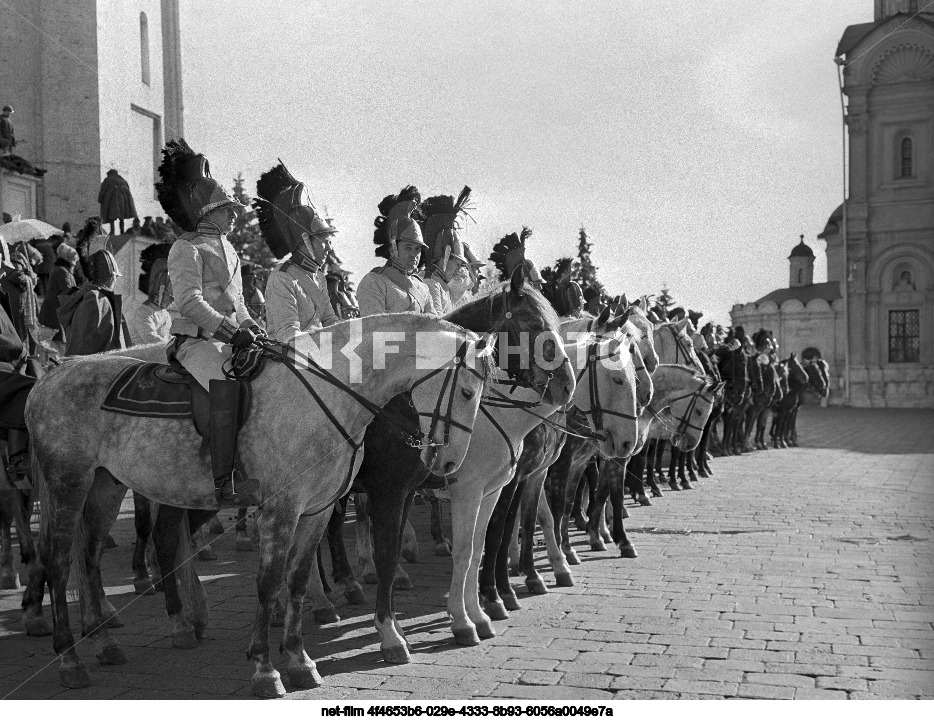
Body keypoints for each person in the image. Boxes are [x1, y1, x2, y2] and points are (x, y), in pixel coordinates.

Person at [156, 139, 262, 506]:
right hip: (197, 343)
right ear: (207, 212)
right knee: (225, 386)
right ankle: (225, 482)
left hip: (231, 339)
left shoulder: (230, 249)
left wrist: (252, 327)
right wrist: (234, 332)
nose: (234, 215)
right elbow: (190, 301)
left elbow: (240, 303)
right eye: (227, 210)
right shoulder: (184, 248)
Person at [253, 161, 338, 343]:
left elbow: (330, 321)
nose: (329, 248)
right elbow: (289, 336)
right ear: (306, 241)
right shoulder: (282, 278)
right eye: (324, 242)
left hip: (317, 356)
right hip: (287, 360)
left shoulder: (318, 276)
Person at [356, 186, 434, 317]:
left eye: (417, 249)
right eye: (408, 247)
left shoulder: (423, 288)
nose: (414, 254)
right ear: (393, 249)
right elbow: (375, 329)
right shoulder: (374, 281)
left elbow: (437, 326)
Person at [57, 247, 131, 356]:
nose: (115, 281)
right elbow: (94, 346)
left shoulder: (86, 296)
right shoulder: (97, 299)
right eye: (116, 277)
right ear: (111, 276)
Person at [419, 188, 474, 316]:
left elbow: (468, 283)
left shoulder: (443, 285)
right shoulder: (430, 284)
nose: (459, 269)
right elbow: (439, 325)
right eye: (457, 263)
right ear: (445, 257)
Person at [127, 242, 172, 345]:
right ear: (160, 291)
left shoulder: (165, 314)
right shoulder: (143, 313)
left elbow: (169, 338)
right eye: (170, 297)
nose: (172, 301)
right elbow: (151, 340)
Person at [38, 242, 78, 340]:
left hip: (52, 312)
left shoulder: (60, 269)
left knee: (52, 344)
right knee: (57, 345)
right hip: (54, 314)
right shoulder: (62, 272)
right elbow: (69, 292)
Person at [98, 169, 138, 235]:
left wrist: (100, 199)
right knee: (121, 217)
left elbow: (103, 191)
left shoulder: (108, 180)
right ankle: (122, 231)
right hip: (123, 201)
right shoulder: (123, 180)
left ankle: (112, 231)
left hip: (112, 200)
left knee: (111, 217)